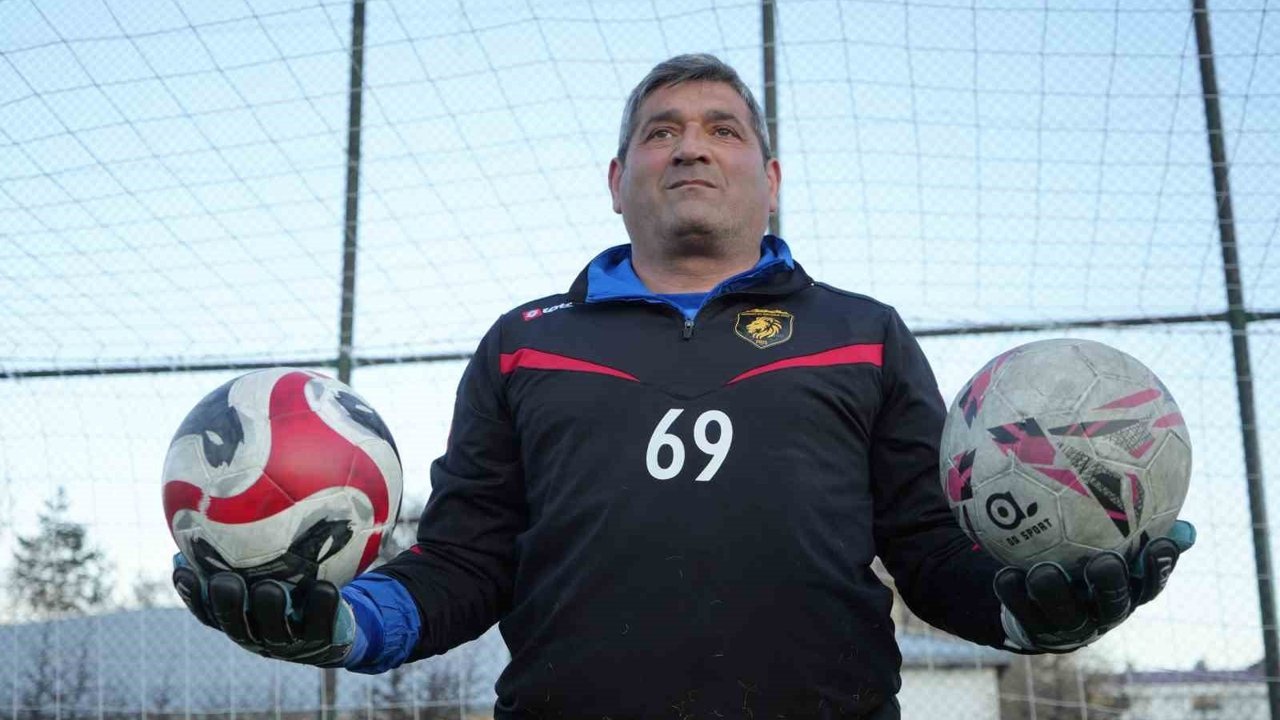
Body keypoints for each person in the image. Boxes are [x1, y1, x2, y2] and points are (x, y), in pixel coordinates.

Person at [173, 54, 1195, 718]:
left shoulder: (864, 334)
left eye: (722, 128)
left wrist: (1030, 615)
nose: (691, 145)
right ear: (616, 180)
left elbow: (931, 552)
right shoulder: (525, 344)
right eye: (661, 131)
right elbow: (466, 560)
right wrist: (347, 624)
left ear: (770, 180)